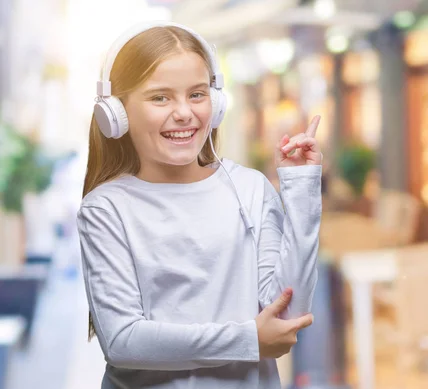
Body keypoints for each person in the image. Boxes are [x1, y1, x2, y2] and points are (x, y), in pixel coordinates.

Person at [76, 21, 322, 389]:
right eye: (160, 97)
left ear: (216, 101)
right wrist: (247, 340)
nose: (184, 113)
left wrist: (301, 188)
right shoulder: (105, 210)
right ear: (117, 112)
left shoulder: (249, 188)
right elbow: (123, 341)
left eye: (196, 94)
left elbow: (290, 314)